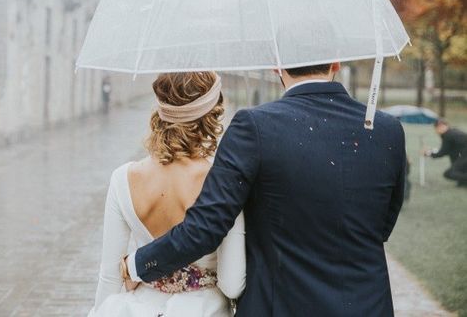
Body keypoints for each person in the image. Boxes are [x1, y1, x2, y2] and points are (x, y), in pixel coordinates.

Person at [121, 63, 407, 317]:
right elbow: (381, 226)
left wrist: (137, 265)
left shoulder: (254, 126)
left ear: (276, 65)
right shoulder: (387, 129)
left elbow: (205, 228)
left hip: (281, 305)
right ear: (336, 62)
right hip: (367, 305)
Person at [89, 72, 245, 317]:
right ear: (211, 114)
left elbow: (110, 276)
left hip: (139, 308)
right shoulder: (222, 180)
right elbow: (233, 283)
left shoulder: (123, 178)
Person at [424, 119, 467, 186]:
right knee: (452, 171)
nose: (438, 129)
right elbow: (450, 151)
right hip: (462, 155)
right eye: (437, 127)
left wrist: (428, 153)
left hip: (464, 155)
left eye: (440, 127)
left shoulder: (448, 135)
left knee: (450, 173)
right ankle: (463, 182)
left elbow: (442, 152)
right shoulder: (452, 132)